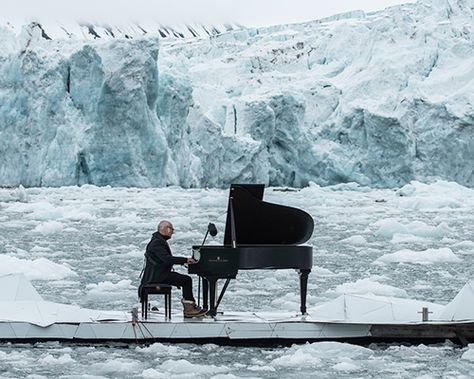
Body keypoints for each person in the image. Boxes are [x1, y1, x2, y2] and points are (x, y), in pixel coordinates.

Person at [139, 220, 206, 318]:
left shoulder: (158, 240)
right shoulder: (157, 243)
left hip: (159, 274)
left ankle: (190, 307)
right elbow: (167, 259)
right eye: (171, 229)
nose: (172, 232)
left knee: (185, 279)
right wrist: (185, 260)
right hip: (157, 276)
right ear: (163, 229)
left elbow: (165, 259)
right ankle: (189, 309)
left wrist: (184, 261)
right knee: (186, 280)